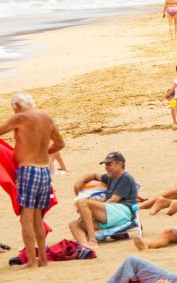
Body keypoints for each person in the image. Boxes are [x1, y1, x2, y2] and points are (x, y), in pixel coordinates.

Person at [0, 92, 65, 267]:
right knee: (37, 218)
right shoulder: (46, 118)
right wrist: (43, 153)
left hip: (28, 171)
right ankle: (42, 259)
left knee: (26, 218)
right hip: (44, 171)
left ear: (17, 105)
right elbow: (60, 144)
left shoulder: (20, 117)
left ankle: (31, 262)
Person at [68, 151, 138, 247]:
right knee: (74, 224)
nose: (106, 167)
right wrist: (81, 180)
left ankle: (92, 239)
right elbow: (94, 175)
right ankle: (86, 246)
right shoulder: (111, 177)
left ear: (120, 164)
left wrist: (90, 211)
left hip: (123, 212)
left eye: (109, 164)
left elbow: (114, 200)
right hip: (111, 215)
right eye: (105, 165)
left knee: (82, 203)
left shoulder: (125, 177)